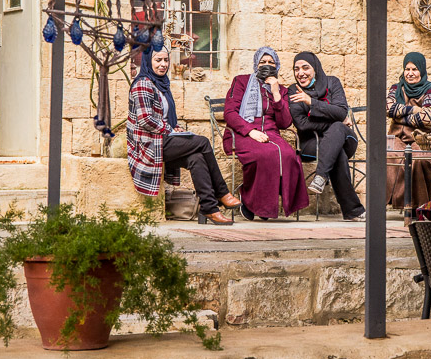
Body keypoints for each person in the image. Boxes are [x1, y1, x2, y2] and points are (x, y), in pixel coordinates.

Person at [128, 46, 240, 225]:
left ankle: (209, 208)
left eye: (166, 60)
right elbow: (145, 120)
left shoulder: (161, 84)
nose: (163, 64)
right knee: (202, 142)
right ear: (148, 61)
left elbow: (164, 117)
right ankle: (222, 193)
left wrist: (176, 128)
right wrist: (169, 129)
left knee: (196, 158)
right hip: (148, 147)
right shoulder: (143, 83)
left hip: (162, 141)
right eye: (158, 60)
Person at [223, 46, 309, 220]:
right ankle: (248, 198)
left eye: (271, 63)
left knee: (289, 156)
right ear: (256, 64)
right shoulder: (241, 81)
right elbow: (230, 113)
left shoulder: (282, 90)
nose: (267, 66)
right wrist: (250, 131)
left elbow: (285, 122)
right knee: (265, 154)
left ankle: (266, 206)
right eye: (263, 62)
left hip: (272, 134)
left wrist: (276, 92)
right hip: (242, 132)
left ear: (276, 66)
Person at [287, 52, 366, 222]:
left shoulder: (332, 83)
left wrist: (311, 102)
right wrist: (334, 120)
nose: (300, 73)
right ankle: (353, 210)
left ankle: (321, 175)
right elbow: (302, 124)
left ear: (315, 68)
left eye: (305, 67)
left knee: (337, 130)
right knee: (336, 148)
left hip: (345, 140)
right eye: (296, 69)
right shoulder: (293, 90)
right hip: (311, 143)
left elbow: (341, 111)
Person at [385, 51, 431, 212]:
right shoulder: (396, 88)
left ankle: (420, 206)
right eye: (407, 69)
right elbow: (388, 109)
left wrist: (400, 116)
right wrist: (415, 109)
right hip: (394, 138)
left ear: (421, 70)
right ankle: (403, 203)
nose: (410, 73)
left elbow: (429, 118)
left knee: (418, 159)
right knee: (389, 154)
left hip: (423, 140)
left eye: (414, 69)